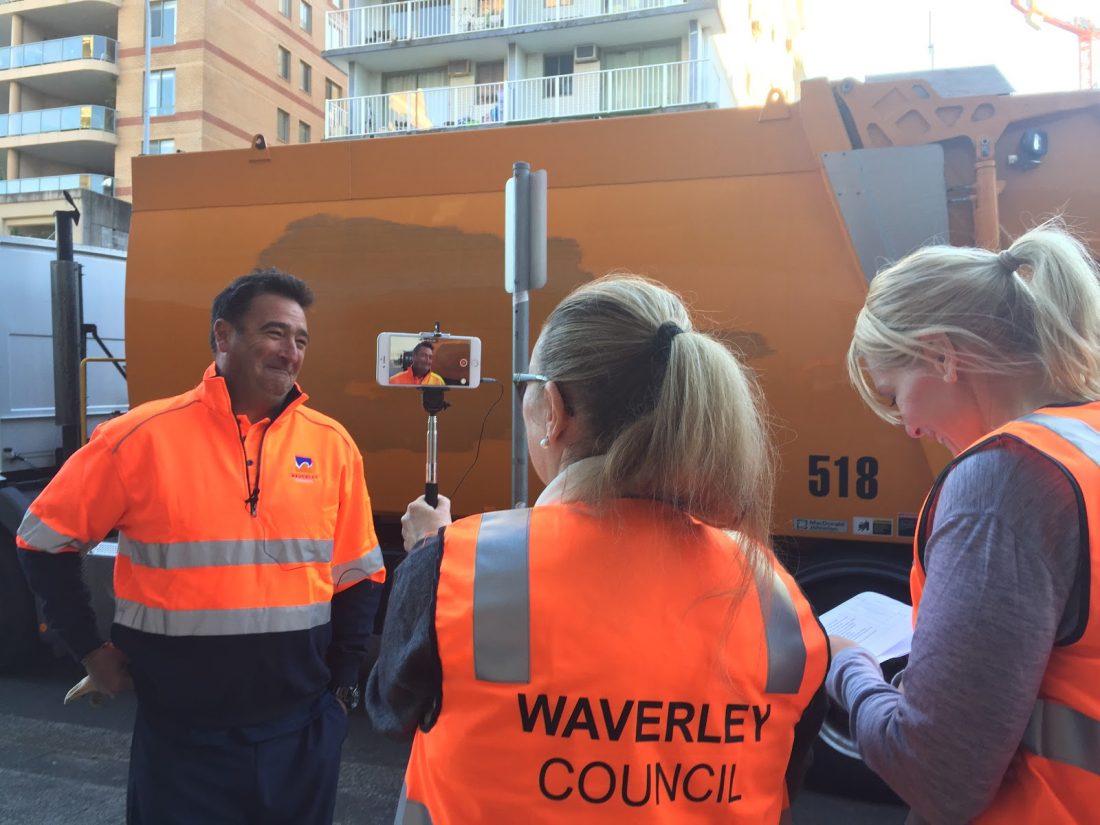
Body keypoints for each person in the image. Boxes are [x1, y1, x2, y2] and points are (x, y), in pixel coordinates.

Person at [368, 275, 829, 823]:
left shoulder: (456, 569)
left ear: (555, 411)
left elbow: (393, 713)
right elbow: (782, 773)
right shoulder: (774, 594)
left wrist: (430, 555)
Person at [16, 268, 386, 825]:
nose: (290, 351)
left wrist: (341, 692)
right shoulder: (138, 439)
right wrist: (89, 650)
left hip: (302, 729)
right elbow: (42, 540)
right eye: (274, 333)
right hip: (184, 740)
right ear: (223, 337)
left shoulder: (332, 445)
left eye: (301, 339)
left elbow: (359, 575)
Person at [832, 221, 1100, 823]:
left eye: (896, 395)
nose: (909, 429)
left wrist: (847, 666)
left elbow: (937, 774)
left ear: (941, 355)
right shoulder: (1086, 446)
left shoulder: (1004, 481)